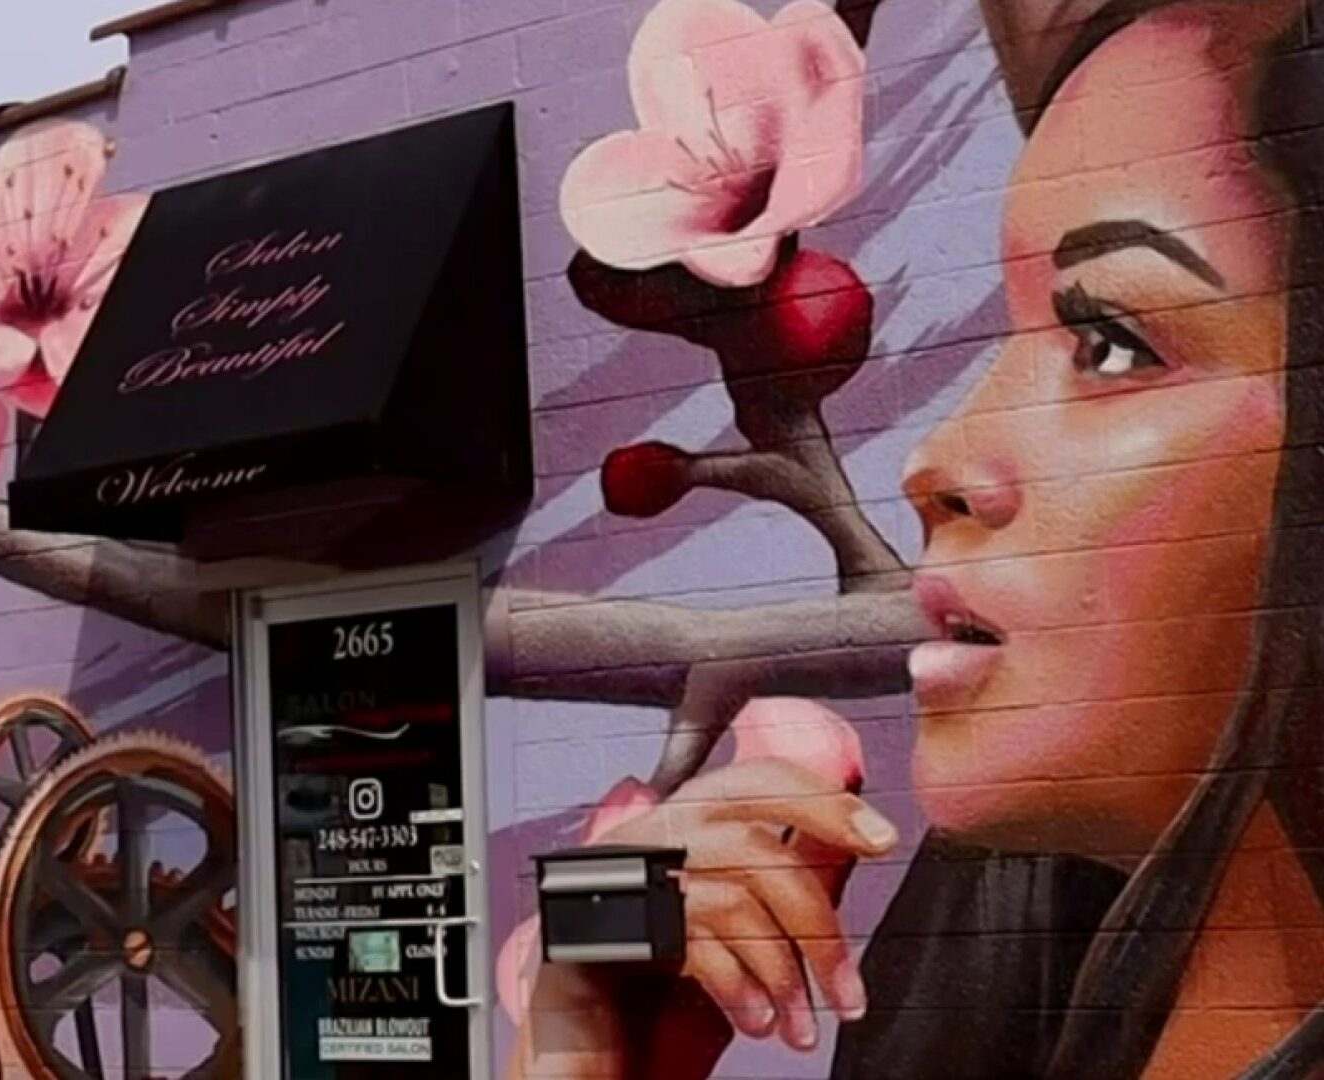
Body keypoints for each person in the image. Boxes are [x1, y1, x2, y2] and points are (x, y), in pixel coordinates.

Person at [512, 1, 1324, 1076]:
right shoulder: (998, 990)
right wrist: (579, 1046)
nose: (934, 460)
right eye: (1016, 323)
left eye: (1110, 343)